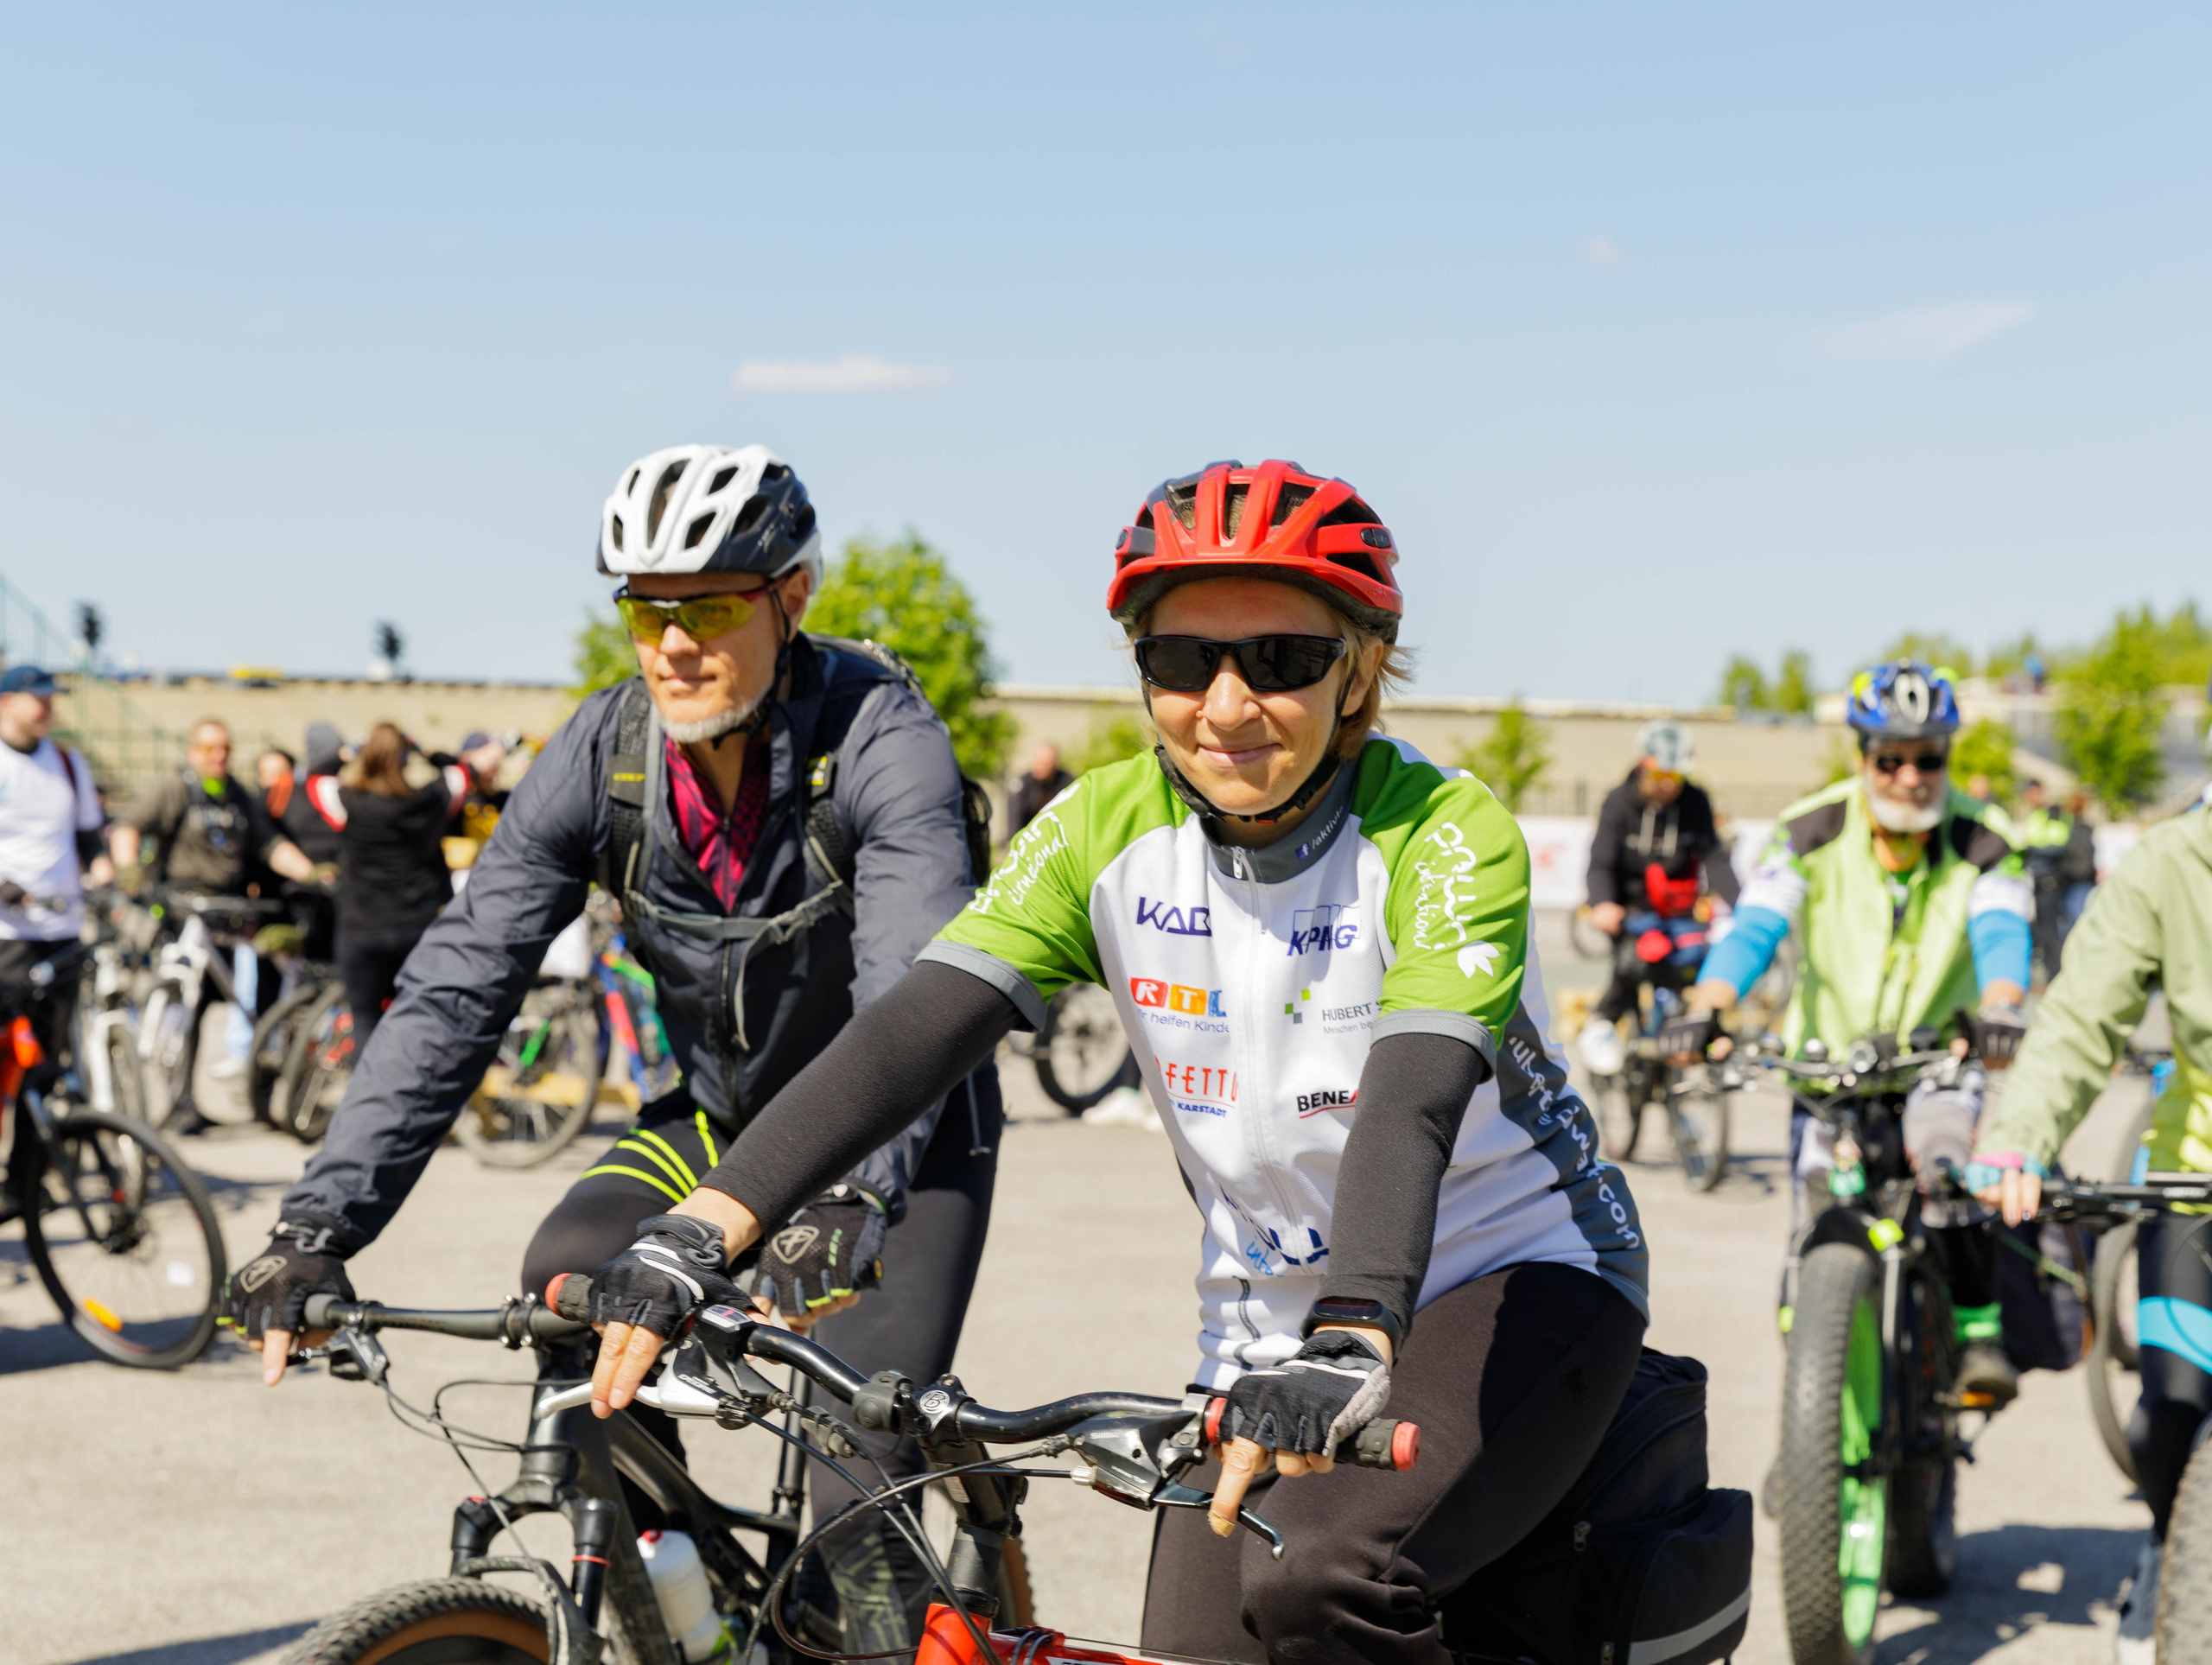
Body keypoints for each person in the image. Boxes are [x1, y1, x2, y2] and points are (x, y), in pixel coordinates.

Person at [573, 459, 1651, 1665]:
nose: (1226, 705)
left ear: (1358, 671)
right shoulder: (1103, 828)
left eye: (1283, 659)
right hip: (1264, 1325)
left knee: (1322, 1575)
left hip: (1508, 1273)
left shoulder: (1443, 830)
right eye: (1181, 660)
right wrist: (700, 1227)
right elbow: (908, 1033)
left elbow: (1410, 1101)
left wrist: (1353, 1329)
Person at [226, 442, 997, 1655]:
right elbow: (458, 984)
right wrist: (317, 1223)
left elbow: (913, 988)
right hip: (716, 1115)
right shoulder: (604, 750)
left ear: (792, 596)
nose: (673, 642)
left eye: (711, 607)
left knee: (857, 1454)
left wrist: (853, 1188)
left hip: (896, 1131)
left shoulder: (879, 736)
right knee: (567, 1289)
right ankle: (685, 1613)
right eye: (647, 608)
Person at [1666, 661, 2031, 1404]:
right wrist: (1708, 1003)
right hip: (1827, 1067)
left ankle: (1978, 1328)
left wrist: (2001, 1005)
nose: (1909, 776)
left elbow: (2001, 928)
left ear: (1947, 758)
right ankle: (1816, 1404)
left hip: (1940, 1056)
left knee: (1948, 1168)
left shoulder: (1986, 837)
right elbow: (1757, 926)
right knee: (1814, 1215)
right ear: (1863, 757)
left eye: (1927, 758)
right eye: (1890, 759)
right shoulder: (1810, 828)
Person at [1967, 797, 2212, 1662]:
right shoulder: (2171, 860)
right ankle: (2174, 1549)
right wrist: (2020, 1134)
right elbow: (2080, 1016)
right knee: (2173, 1412)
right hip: (2198, 1178)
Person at [111, 717, 321, 1102]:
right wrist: (127, 870)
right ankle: (180, 1098)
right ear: (193, 750)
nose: (219, 756)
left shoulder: (236, 794)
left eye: (225, 749)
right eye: (210, 748)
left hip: (228, 912)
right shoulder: (175, 786)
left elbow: (271, 846)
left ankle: (262, 1077)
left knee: (243, 994)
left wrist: (312, 873)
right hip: (181, 914)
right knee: (187, 1005)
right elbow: (128, 827)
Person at [1576, 718, 1739, 1076]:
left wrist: (1741, 907)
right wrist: (1603, 903)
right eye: (1660, 775)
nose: (1668, 784)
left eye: (1675, 776)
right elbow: (1601, 862)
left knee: (1698, 961)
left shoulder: (1695, 801)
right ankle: (1603, 1023)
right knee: (1633, 962)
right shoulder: (1618, 802)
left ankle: (1703, 1039)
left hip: (1678, 910)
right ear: (1643, 765)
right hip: (1631, 908)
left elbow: (1715, 859)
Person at [327, 723, 465, 1055]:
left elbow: (317, 778)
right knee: (418, 1022)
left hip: (362, 928)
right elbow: (460, 773)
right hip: (416, 927)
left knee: (365, 1021)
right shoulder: (428, 802)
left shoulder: (349, 802)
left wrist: (355, 748)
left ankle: (366, 1089)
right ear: (405, 758)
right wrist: (423, 750)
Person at [0, 664, 110, 1029]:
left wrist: (106, 878)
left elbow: (89, 838)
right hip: (9, 934)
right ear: (6, 703)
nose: (48, 709)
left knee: (55, 1043)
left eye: (51, 700)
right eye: (39, 700)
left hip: (64, 928)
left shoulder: (68, 762)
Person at [1006, 740, 1071, 834]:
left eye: (1046, 764)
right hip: (1028, 835)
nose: (1041, 767)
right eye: (1038, 763)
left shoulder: (1067, 782)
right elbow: (1015, 819)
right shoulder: (1022, 785)